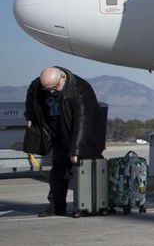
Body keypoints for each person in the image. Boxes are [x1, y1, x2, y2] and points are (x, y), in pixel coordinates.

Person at [24, 67, 105, 218]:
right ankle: (56, 206)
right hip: (58, 134)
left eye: (54, 88)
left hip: (83, 136)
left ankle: (89, 206)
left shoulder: (80, 90)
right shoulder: (38, 86)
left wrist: (76, 150)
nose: (51, 92)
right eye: (47, 89)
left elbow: (83, 122)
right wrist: (30, 116)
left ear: (62, 78)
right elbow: (31, 97)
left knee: (86, 170)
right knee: (58, 173)